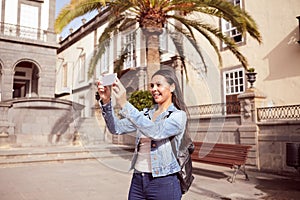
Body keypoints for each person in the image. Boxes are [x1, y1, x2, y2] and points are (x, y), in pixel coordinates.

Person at [97, 69, 188, 200]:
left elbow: (156, 131)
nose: (154, 89)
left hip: (164, 182)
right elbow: (115, 128)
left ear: (172, 87)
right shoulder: (145, 114)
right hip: (138, 180)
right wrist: (106, 102)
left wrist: (124, 103)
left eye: (158, 85)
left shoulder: (178, 116)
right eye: (152, 85)